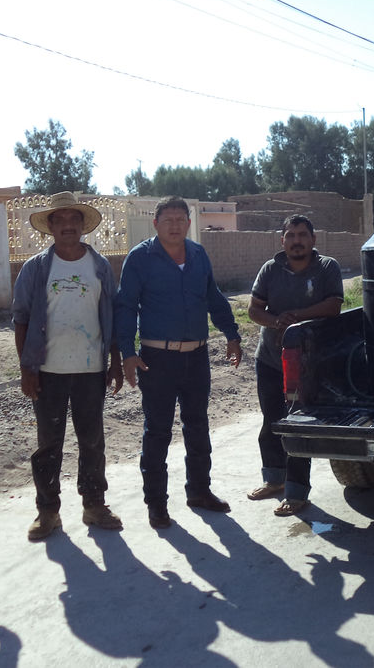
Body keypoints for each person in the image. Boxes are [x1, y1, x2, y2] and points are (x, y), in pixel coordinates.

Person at [113, 196, 242, 529]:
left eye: (180, 219)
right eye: (167, 219)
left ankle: (199, 491)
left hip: (197, 356)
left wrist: (231, 334)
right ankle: (156, 504)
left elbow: (213, 297)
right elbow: (126, 306)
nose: (174, 225)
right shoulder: (140, 258)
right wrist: (127, 352)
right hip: (157, 359)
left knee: (197, 426)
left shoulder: (198, 255)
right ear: (155, 223)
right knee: (157, 431)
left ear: (189, 223)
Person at [12, 191, 124, 540]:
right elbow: (21, 320)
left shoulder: (99, 266)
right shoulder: (36, 268)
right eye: (59, 220)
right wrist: (27, 369)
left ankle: (94, 505)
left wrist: (115, 361)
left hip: (91, 370)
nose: (67, 226)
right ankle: (48, 512)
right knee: (48, 444)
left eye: (73, 219)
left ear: (82, 225)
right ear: (50, 227)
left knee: (92, 440)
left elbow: (112, 316)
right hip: (48, 371)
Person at [246, 215, 344, 516]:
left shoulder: (326, 267)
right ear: (282, 240)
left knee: (300, 425)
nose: (296, 241)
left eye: (302, 235)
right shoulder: (270, 269)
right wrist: (277, 321)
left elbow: (333, 306)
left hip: (309, 364)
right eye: (290, 235)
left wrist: (296, 317)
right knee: (271, 421)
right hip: (270, 360)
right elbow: (254, 310)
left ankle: (297, 492)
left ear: (313, 239)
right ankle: (274, 479)